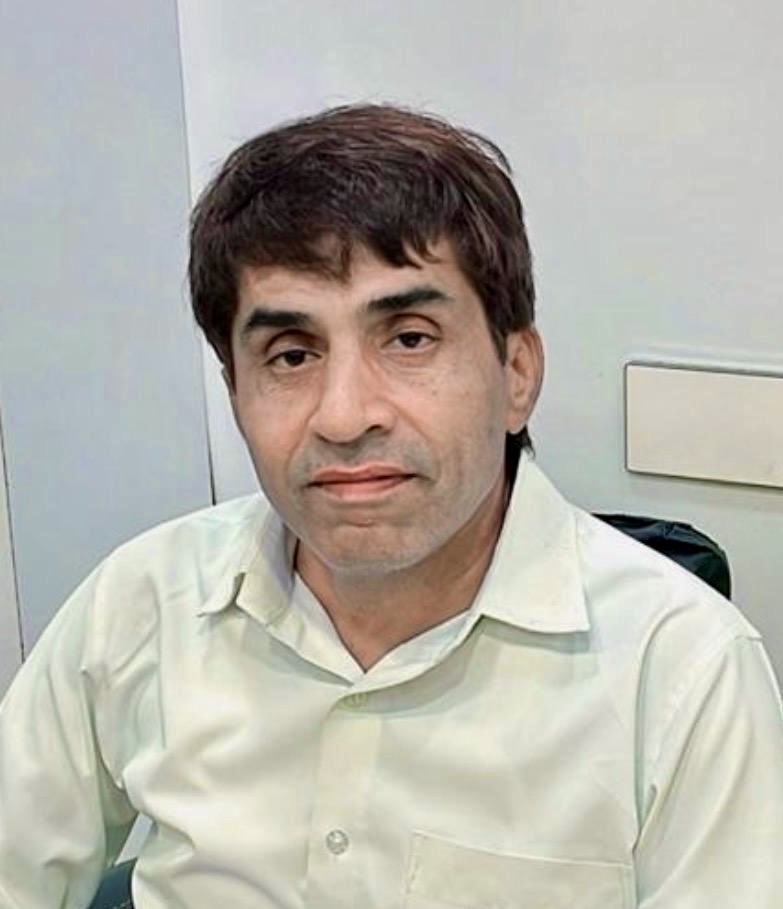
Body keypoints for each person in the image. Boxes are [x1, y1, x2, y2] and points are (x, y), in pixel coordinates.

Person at [0, 104, 781, 909]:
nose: (344, 416)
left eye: (409, 338)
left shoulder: (683, 670)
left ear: (516, 373)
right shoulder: (142, 602)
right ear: (235, 393)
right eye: (290, 355)